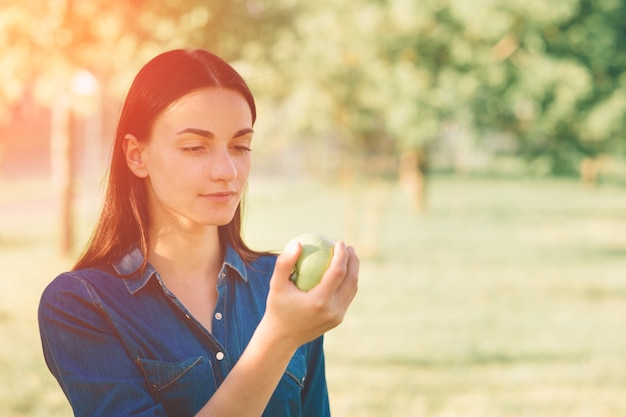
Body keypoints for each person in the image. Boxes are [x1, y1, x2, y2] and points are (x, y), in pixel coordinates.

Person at [38, 48, 359, 417]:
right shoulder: (79, 306)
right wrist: (280, 335)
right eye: (195, 147)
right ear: (136, 155)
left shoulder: (285, 286)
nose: (227, 171)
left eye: (240, 146)